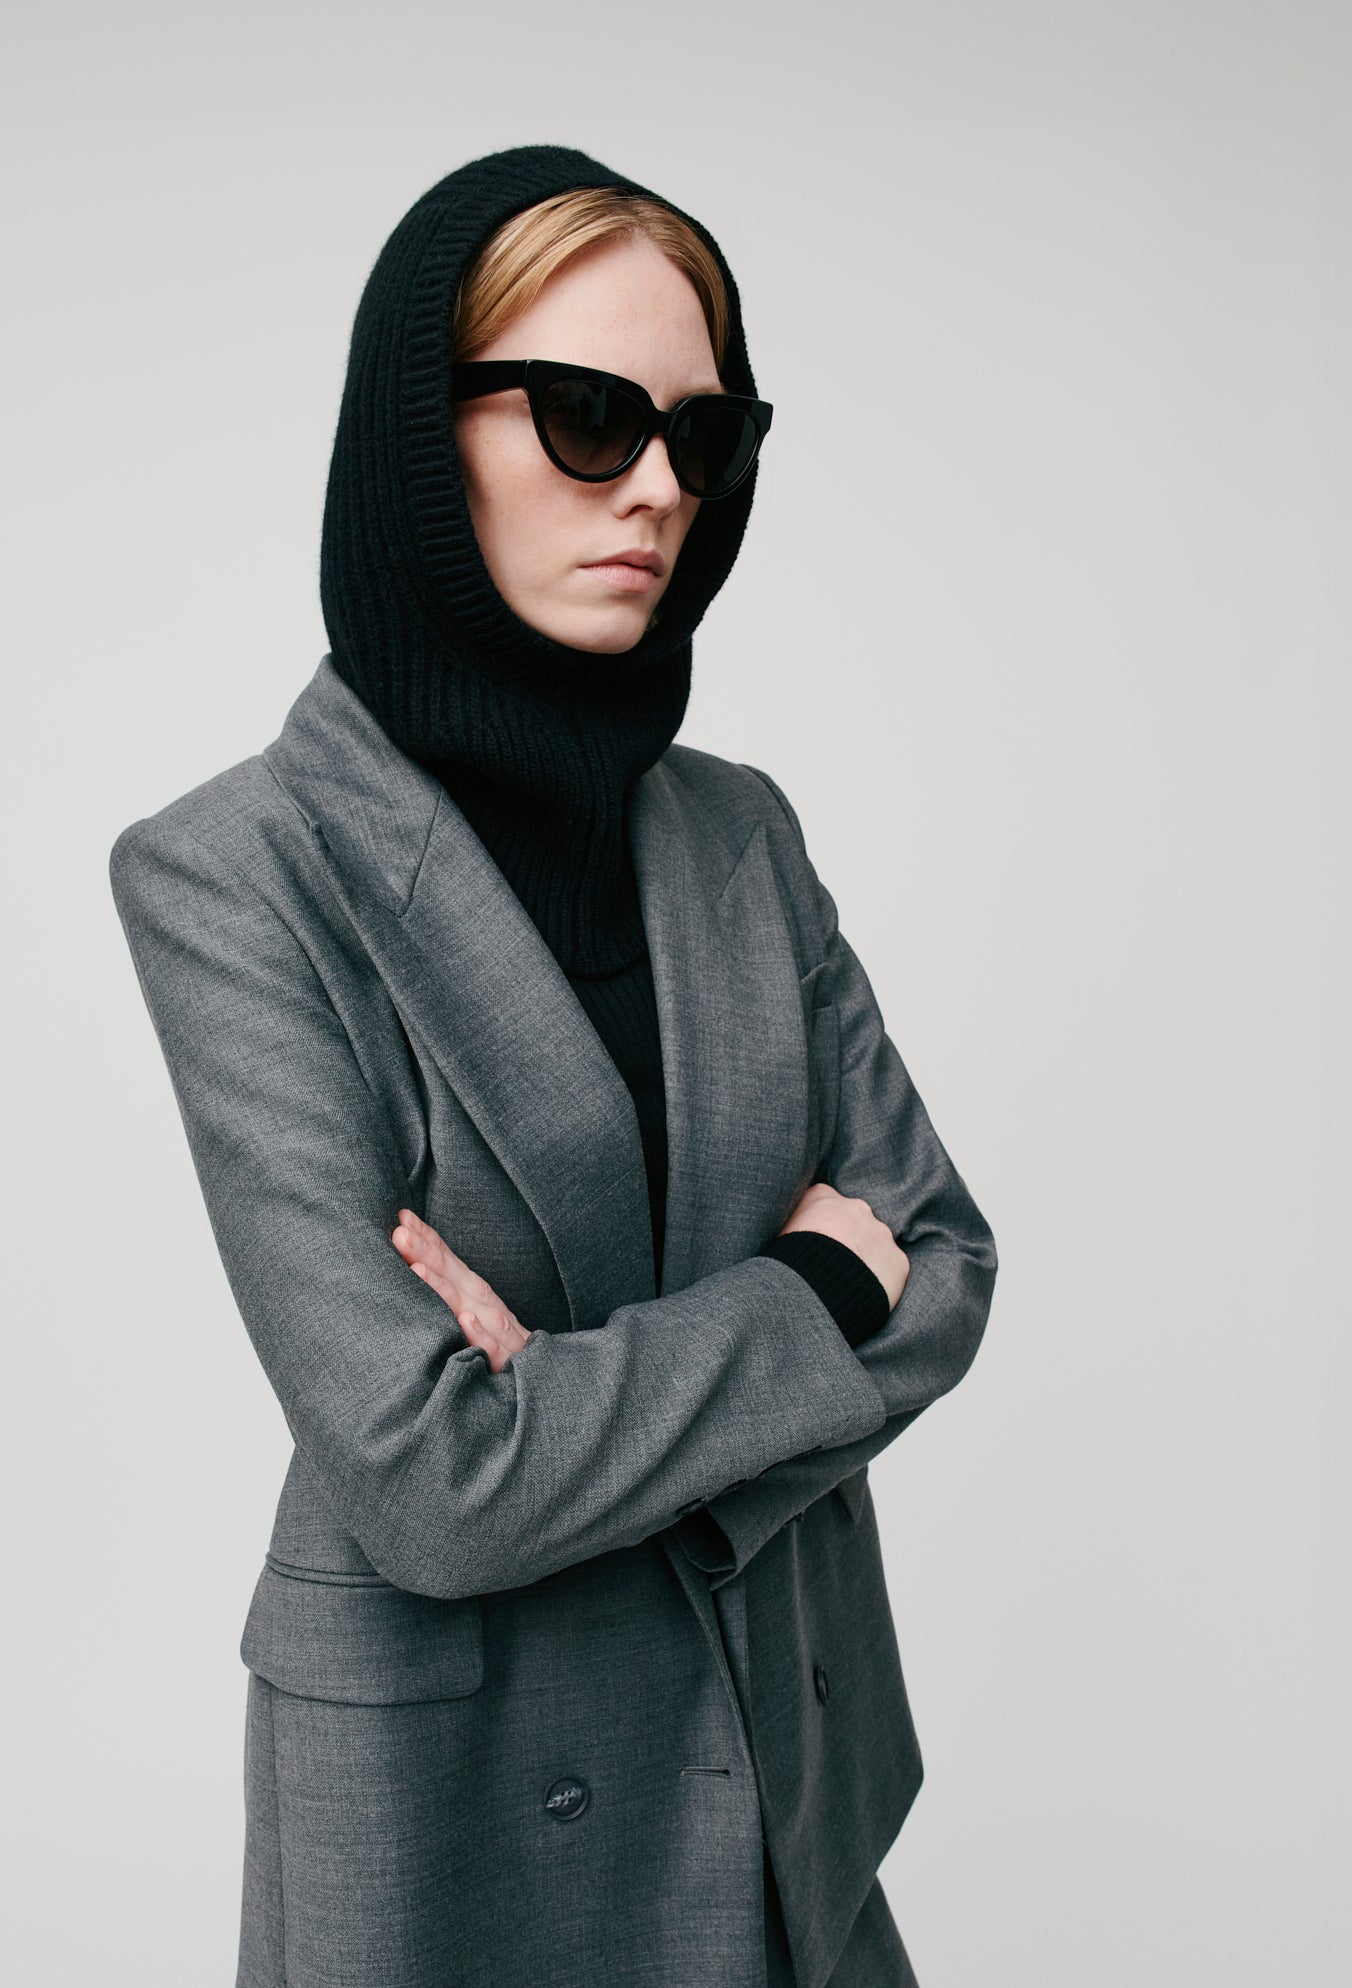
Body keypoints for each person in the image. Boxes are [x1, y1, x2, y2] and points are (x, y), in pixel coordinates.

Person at [109, 144, 998, 1988]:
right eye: (591, 418)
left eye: (705, 434)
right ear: (420, 440)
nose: (661, 488)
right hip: (460, 1796)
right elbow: (429, 1476)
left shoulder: (738, 832)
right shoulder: (233, 872)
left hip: (783, 1754)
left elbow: (952, 1265)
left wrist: (568, 1397)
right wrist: (813, 1293)